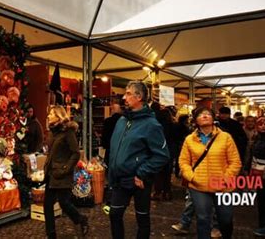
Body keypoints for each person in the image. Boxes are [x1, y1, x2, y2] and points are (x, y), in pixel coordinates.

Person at [108, 80, 169, 239]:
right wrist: (112, 173)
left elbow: (162, 155)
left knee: (142, 219)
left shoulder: (151, 124)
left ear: (139, 96)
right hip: (120, 180)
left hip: (139, 180)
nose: (124, 98)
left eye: (128, 94)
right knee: (114, 214)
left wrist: (142, 173)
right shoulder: (122, 120)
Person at [179, 107, 241, 239]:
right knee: (202, 219)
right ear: (195, 120)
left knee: (225, 219)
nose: (205, 116)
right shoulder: (190, 139)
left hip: (223, 185)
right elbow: (183, 162)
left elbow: (235, 162)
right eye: (201, 114)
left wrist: (225, 178)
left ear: (213, 118)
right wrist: (192, 177)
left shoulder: (225, 137)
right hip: (198, 185)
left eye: (208, 114)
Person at [43, 105, 88, 239]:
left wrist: (65, 169)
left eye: (51, 114)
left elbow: (75, 153)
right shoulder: (51, 132)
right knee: (47, 204)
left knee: (64, 203)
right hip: (51, 173)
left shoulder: (68, 132)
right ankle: (51, 234)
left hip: (62, 174)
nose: (48, 116)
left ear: (58, 116)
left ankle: (81, 219)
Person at [247, 117, 265, 227]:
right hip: (257, 171)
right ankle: (262, 223)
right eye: (260, 124)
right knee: (261, 199)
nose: (263, 126)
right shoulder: (257, 137)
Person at [101, 103, 122, 167]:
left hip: (110, 148)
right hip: (121, 148)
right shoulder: (124, 121)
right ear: (119, 110)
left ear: (112, 110)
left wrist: (104, 145)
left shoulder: (107, 121)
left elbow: (104, 135)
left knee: (109, 167)